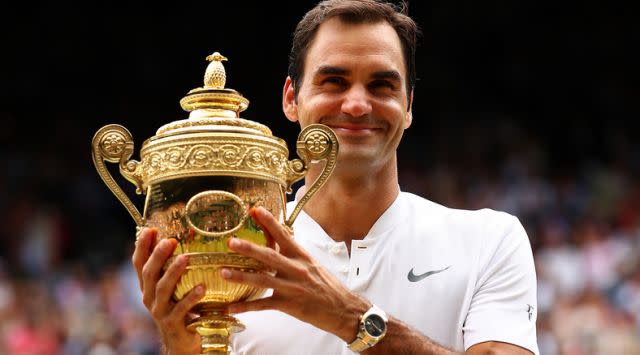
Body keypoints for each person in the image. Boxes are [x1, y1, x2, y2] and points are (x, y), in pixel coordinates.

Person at [132, 0, 539, 354]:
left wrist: (349, 317)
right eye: (334, 81)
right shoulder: (233, 252)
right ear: (292, 98)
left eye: (382, 85)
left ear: (409, 105)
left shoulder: (488, 241)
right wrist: (182, 348)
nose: (358, 104)